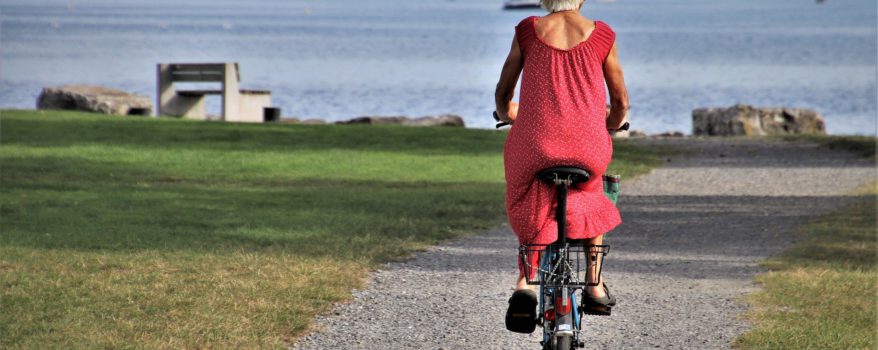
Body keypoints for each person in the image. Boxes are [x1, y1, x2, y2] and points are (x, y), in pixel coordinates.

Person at [494, 0, 629, 333]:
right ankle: (594, 285)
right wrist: (611, 123)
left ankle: (525, 282)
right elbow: (621, 99)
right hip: (587, 146)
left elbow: (504, 89)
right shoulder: (602, 34)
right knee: (593, 191)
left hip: (535, 144)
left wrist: (507, 112)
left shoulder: (528, 30)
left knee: (531, 193)